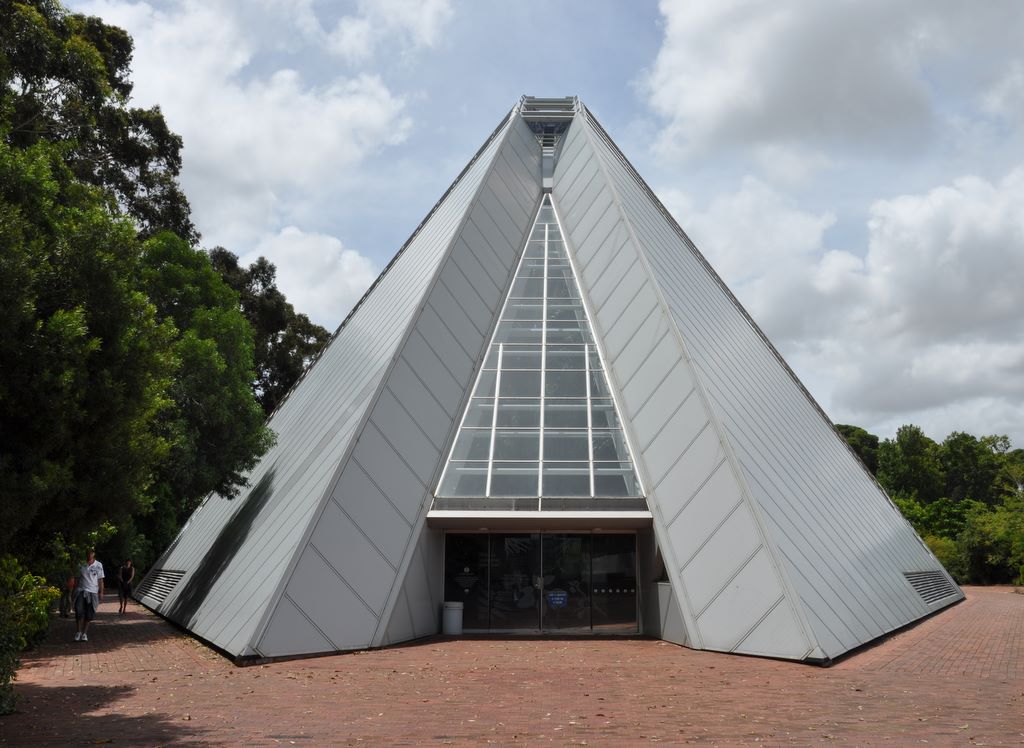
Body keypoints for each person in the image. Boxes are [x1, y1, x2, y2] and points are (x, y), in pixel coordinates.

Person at [74, 549, 104, 642]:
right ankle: (78, 632)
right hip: (81, 591)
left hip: (93, 592)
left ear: (94, 554)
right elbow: (77, 578)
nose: (89, 554)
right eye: (88, 553)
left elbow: (100, 580)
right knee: (78, 611)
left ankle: (84, 633)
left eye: (91, 553)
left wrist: (101, 592)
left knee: (89, 614)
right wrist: (73, 590)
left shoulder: (98, 565)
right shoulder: (81, 564)